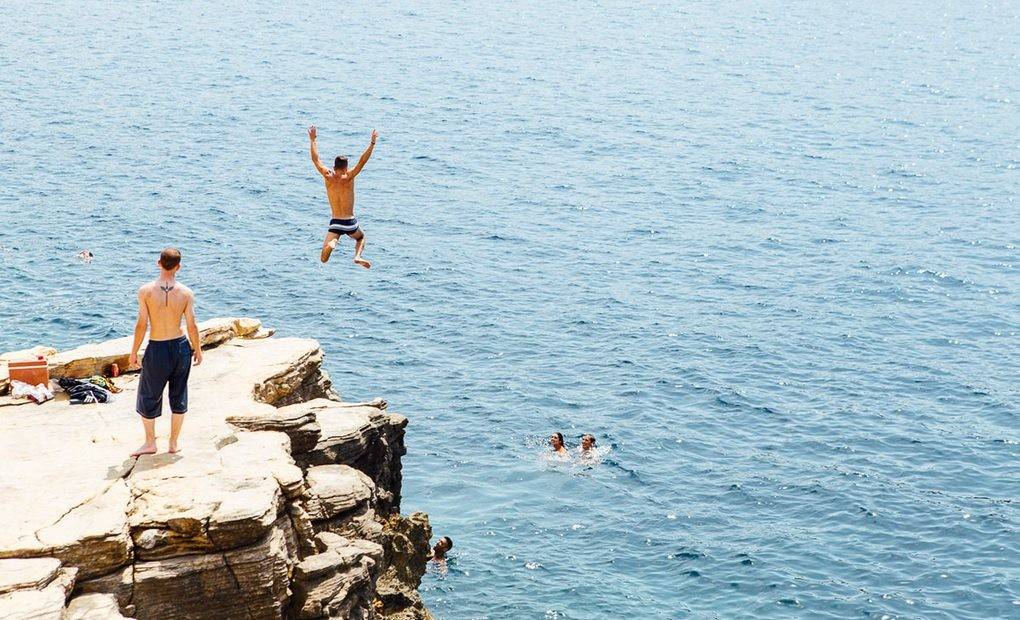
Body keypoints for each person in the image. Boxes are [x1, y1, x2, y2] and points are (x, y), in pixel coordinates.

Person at [127, 247, 203, 457]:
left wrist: (134, 352)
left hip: (157, 347)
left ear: (158, 263)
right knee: (179, 394)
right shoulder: (186, 293)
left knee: (148, 395)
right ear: (178, 267)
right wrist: (197, 349)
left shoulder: (146, 291)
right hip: (180, 347)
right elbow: (192, 326)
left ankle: (150, 443)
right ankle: (173, 443)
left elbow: (141, 325)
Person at [308, 125, 377, 268]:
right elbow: (362, 161)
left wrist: (313, 140)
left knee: (323, 259)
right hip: (350, 222)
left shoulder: (327, 175)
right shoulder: (349, 176)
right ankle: (357, 256)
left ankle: (333, 242)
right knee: (361, 237)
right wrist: (372, 143)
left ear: (334, 167)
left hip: (335, 222)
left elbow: (316, 159)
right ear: (346, 168)